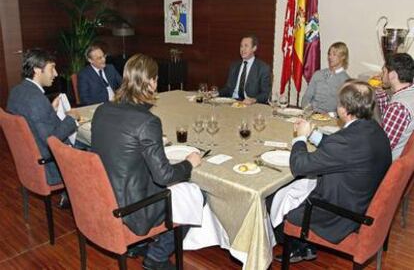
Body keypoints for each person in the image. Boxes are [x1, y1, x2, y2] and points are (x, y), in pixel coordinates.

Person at [91, 53, 202, 270]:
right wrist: (190, 163)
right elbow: (164, 176)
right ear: (151, 82)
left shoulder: (102, 109)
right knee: (198, 194)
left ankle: (136, 245)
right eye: (156, 79)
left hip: (105, 197)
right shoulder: (148, 121)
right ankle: (157, 256)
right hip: (134, 209)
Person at [272, 81, 392, 263]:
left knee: (276, 201)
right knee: (294, 190)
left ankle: (300, 247)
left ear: (343, 110)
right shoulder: (374, 130)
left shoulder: (345, 141)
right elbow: (343, 150)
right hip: (361, 199)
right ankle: (303, 247)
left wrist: (301, 138)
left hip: (340, 215)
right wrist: (314, 134)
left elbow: (299, 166)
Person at [7, 48, 80, 207]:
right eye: (51, 68)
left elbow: (32, 121)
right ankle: (81, 201)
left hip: (27, 162)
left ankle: (68, 195)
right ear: (37, 70)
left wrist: (50, 110)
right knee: (91, 149)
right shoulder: (37, 100)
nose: (55, 73)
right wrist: (71, 119)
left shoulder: (16, 91)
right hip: (47, 166)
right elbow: (50, 141)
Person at [376, 53, 414, 160]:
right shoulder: (409, 93)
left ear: (392, 75)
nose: (380, 75)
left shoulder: (398, 107)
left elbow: (381, 147)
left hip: (388, 165)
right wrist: (382, 93)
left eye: (384, 71)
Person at [219, 34, 271, 104]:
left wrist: (253, 100)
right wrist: (216, 93)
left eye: (246, 46)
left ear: (254, 48)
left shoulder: (263, 68)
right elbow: (228, 88)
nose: (242, 49)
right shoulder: (234, 66)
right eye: (241, 46)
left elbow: (265, 94)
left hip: (251, 105)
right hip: (232, 103)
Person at [301, 42, 350, 113]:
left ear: (343, 57)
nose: (330, 57)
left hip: (331, 119)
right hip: (311, 114)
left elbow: (345, 108)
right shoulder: (318, 74)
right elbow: (306, 97)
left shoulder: (346, 81)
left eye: (334, 54)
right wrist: (308, 110)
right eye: (329, 54)